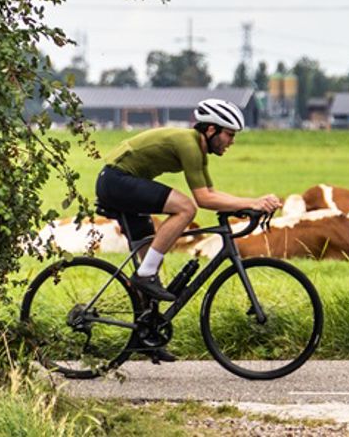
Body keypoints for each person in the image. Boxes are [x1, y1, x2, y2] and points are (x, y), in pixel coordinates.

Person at [96, 97, 282, 308]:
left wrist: (250, 204)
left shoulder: (198, 149)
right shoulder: (189, 145)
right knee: (185, 208)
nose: (232, 141)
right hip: (116, 181)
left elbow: (212, 192)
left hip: (118, 182)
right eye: (229, 134)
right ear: (211, 130)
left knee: (152, 258)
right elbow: (203, 199)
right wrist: (253, 203)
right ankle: (144, 276)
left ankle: (144, 328)